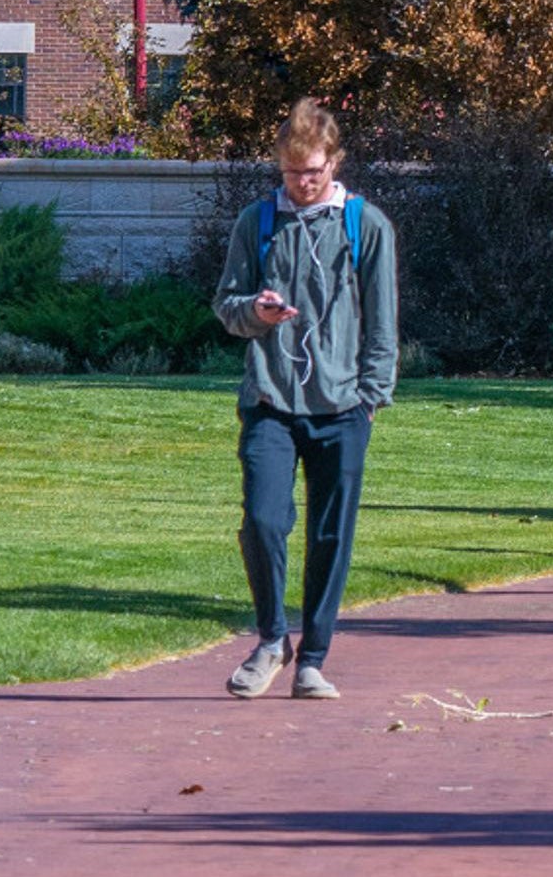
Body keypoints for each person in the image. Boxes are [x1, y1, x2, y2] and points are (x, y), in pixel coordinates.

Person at [213, 98, 399, 701]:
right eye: (292, 173)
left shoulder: (364, 224)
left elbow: (383, 322)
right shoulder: (257, 222)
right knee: (264, 521)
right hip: (270, 399)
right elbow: (227, 306)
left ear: (335, 162)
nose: (302, 184)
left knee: (329, 535)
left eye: (313, 172)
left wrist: (371, 396)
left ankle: (313, 657)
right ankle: (272, 639)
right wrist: (256, 313)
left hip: (342, 406)